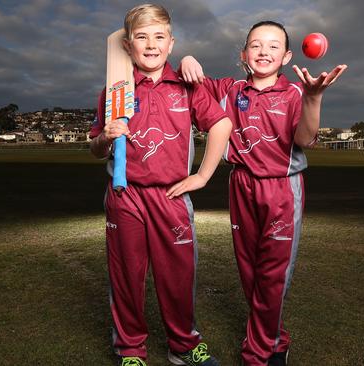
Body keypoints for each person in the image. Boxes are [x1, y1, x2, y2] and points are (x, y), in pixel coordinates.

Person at [178, 21, 347, 366]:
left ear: (286, 56)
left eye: (273, 46)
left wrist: (314, 97)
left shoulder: (295, 93)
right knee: (251, 271)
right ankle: (277, 341)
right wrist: (188, 58)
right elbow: (190, 80)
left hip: (282, 190)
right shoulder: (229, 88)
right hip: (241, 185)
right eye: (256, 45)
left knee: (273, 274)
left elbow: (303, 140)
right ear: (243, 54)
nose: (264, 52)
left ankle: (256, 354)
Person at [89, 4, 232, 366]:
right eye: (141, 37)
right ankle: (131, 349)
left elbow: (221, 125)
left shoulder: (186, 86)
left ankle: (183, 345)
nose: (150, 44)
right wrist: (105, 137)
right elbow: (94, 150)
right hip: (126, 195)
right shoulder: (114, 90)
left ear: (171, 44)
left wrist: (201, 176)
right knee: (126, 275)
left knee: (178, 276)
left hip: (171, 196)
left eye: (158, 37)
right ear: (128, 45)